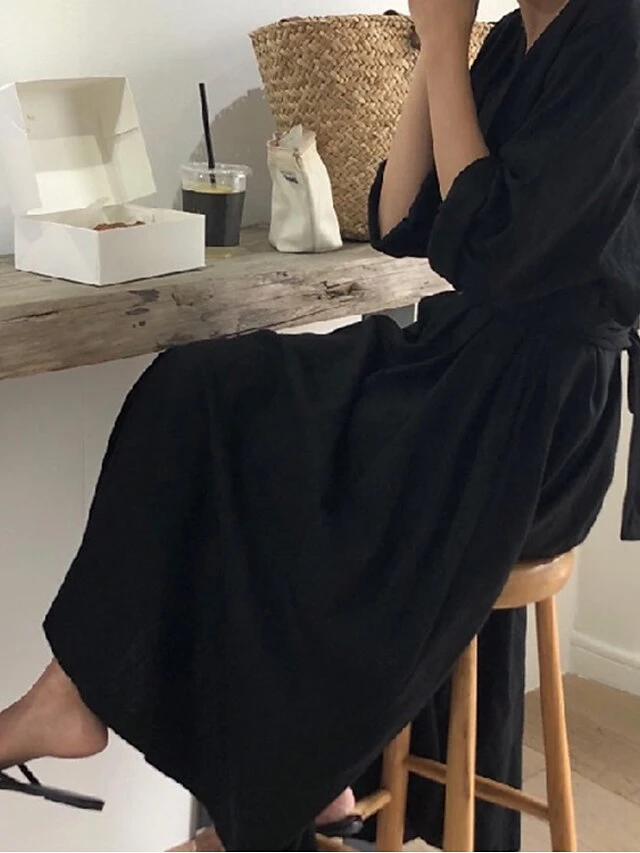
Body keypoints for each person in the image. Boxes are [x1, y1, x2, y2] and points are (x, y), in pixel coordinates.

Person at [2, 0, 640, 849]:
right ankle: (101, 704)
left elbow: (491, 242)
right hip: (452, 367)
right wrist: (435, 55)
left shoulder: (619, 38)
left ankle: (290, 782)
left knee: (279, 453)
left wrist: (443, 46)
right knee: (208, 391)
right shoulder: (514, 43)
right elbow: (400, 220)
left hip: (533, 418)